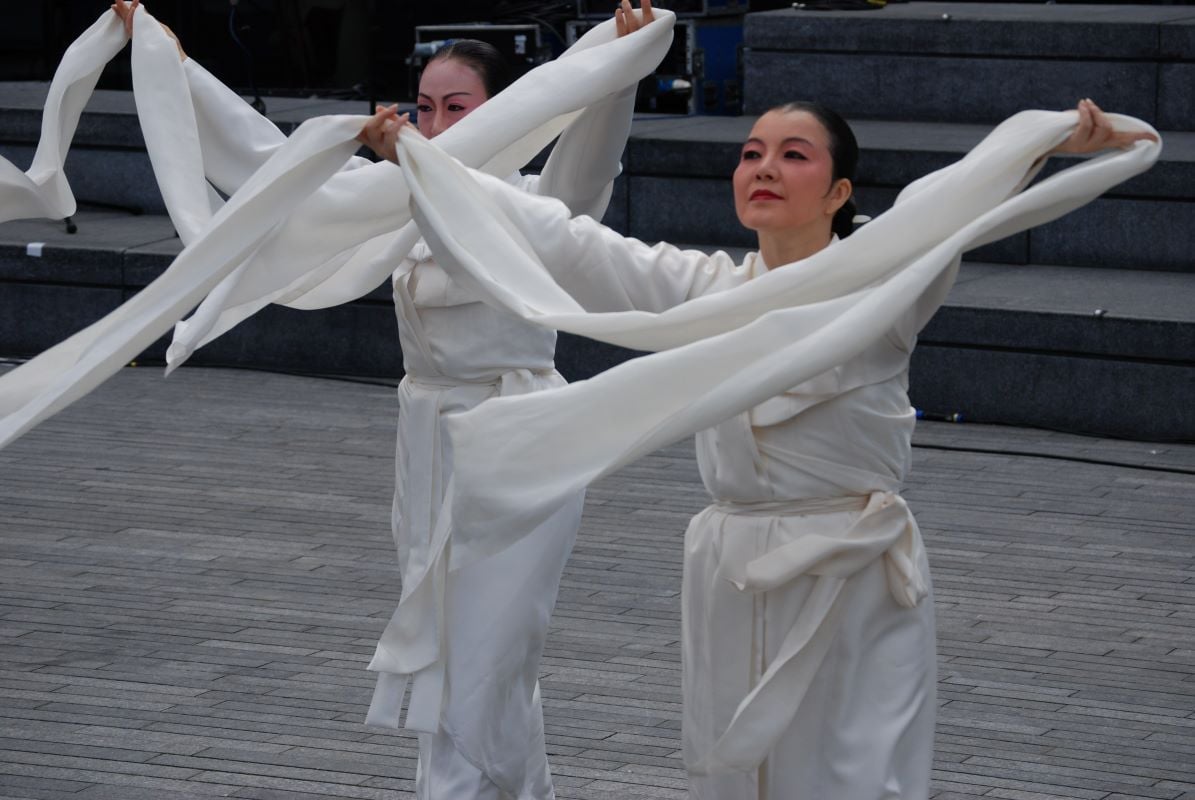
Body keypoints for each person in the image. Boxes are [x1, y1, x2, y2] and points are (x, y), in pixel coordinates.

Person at [358, 98, 1158, 798]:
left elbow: (942, 202)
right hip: (730, 570)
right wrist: (428, 165)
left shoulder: (883, 279)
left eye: (793, 155)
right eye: (750, 154)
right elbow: (566, 241)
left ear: (839, 193)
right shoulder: (705, 291)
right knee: (732, 777)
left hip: (851, 576)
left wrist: (1041, 144)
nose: (764, 168)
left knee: (853, 775)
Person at [105, 3, 657, 799]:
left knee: (484, 653)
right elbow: (264, 158)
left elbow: (591, 157)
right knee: (459, 654)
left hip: (517, 442)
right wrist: (176, 69)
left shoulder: (539, 203)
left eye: (456, 108)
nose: (433, 124)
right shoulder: (393, 202)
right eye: (423, 107)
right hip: (427, 440)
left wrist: (619, 65)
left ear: (503, 113)